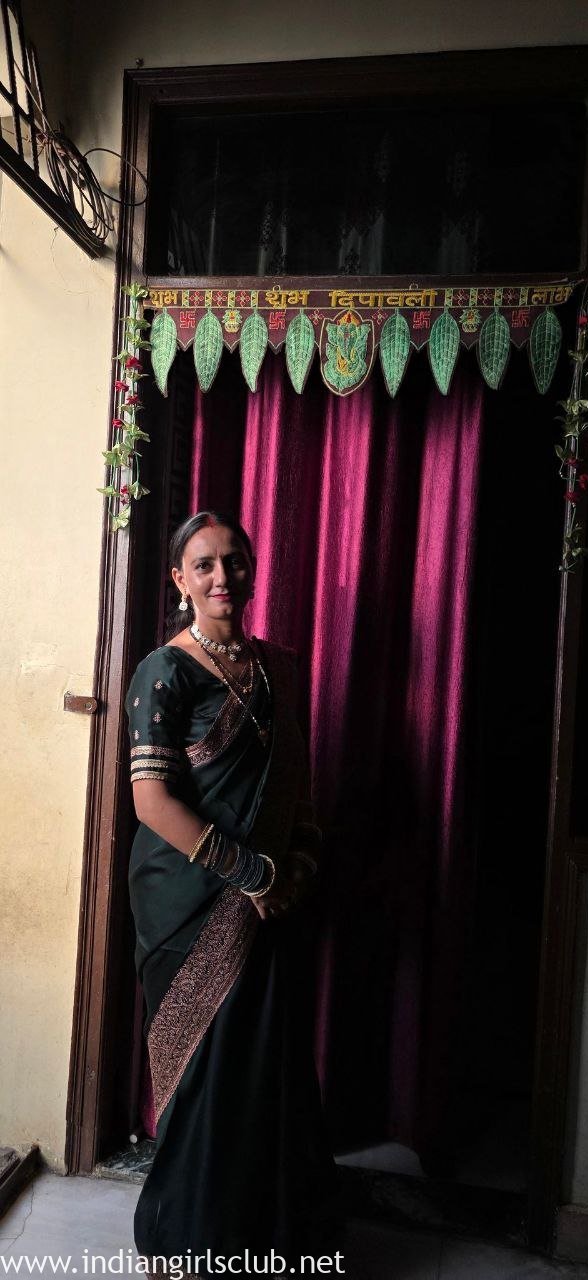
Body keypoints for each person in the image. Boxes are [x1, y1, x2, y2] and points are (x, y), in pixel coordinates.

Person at [125, 510, 340, 1276]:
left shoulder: (279, 667)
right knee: (206, 1073)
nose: (222, 577)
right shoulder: (164, 671)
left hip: (271, 897)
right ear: (179, 580)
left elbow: (298, 783)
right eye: (205, 564)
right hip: (184, 899)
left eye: (234, 561)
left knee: (261, 1068)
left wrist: (297, 864)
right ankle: (187, 1242)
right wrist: (249, 875)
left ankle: (264, 1240)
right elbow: (151, 802)